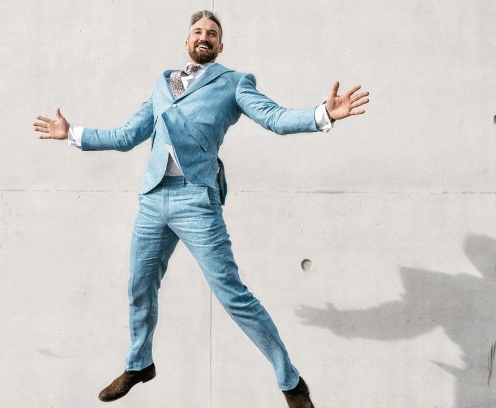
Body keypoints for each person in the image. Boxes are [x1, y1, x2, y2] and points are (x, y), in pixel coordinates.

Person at [34, 10, 369, 408]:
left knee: (232, 295)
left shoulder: (234, 83)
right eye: (197, 31)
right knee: (139, 286)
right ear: (187, 41)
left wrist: (323, 113)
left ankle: (291, 382)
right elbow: (127, 136)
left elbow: (275, 118)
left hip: (196, 199)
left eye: (212, 32)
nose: (204, 36)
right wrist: (71, 133)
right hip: (153, 198)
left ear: (220, 45)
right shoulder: (163, 83)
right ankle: (139, 364)